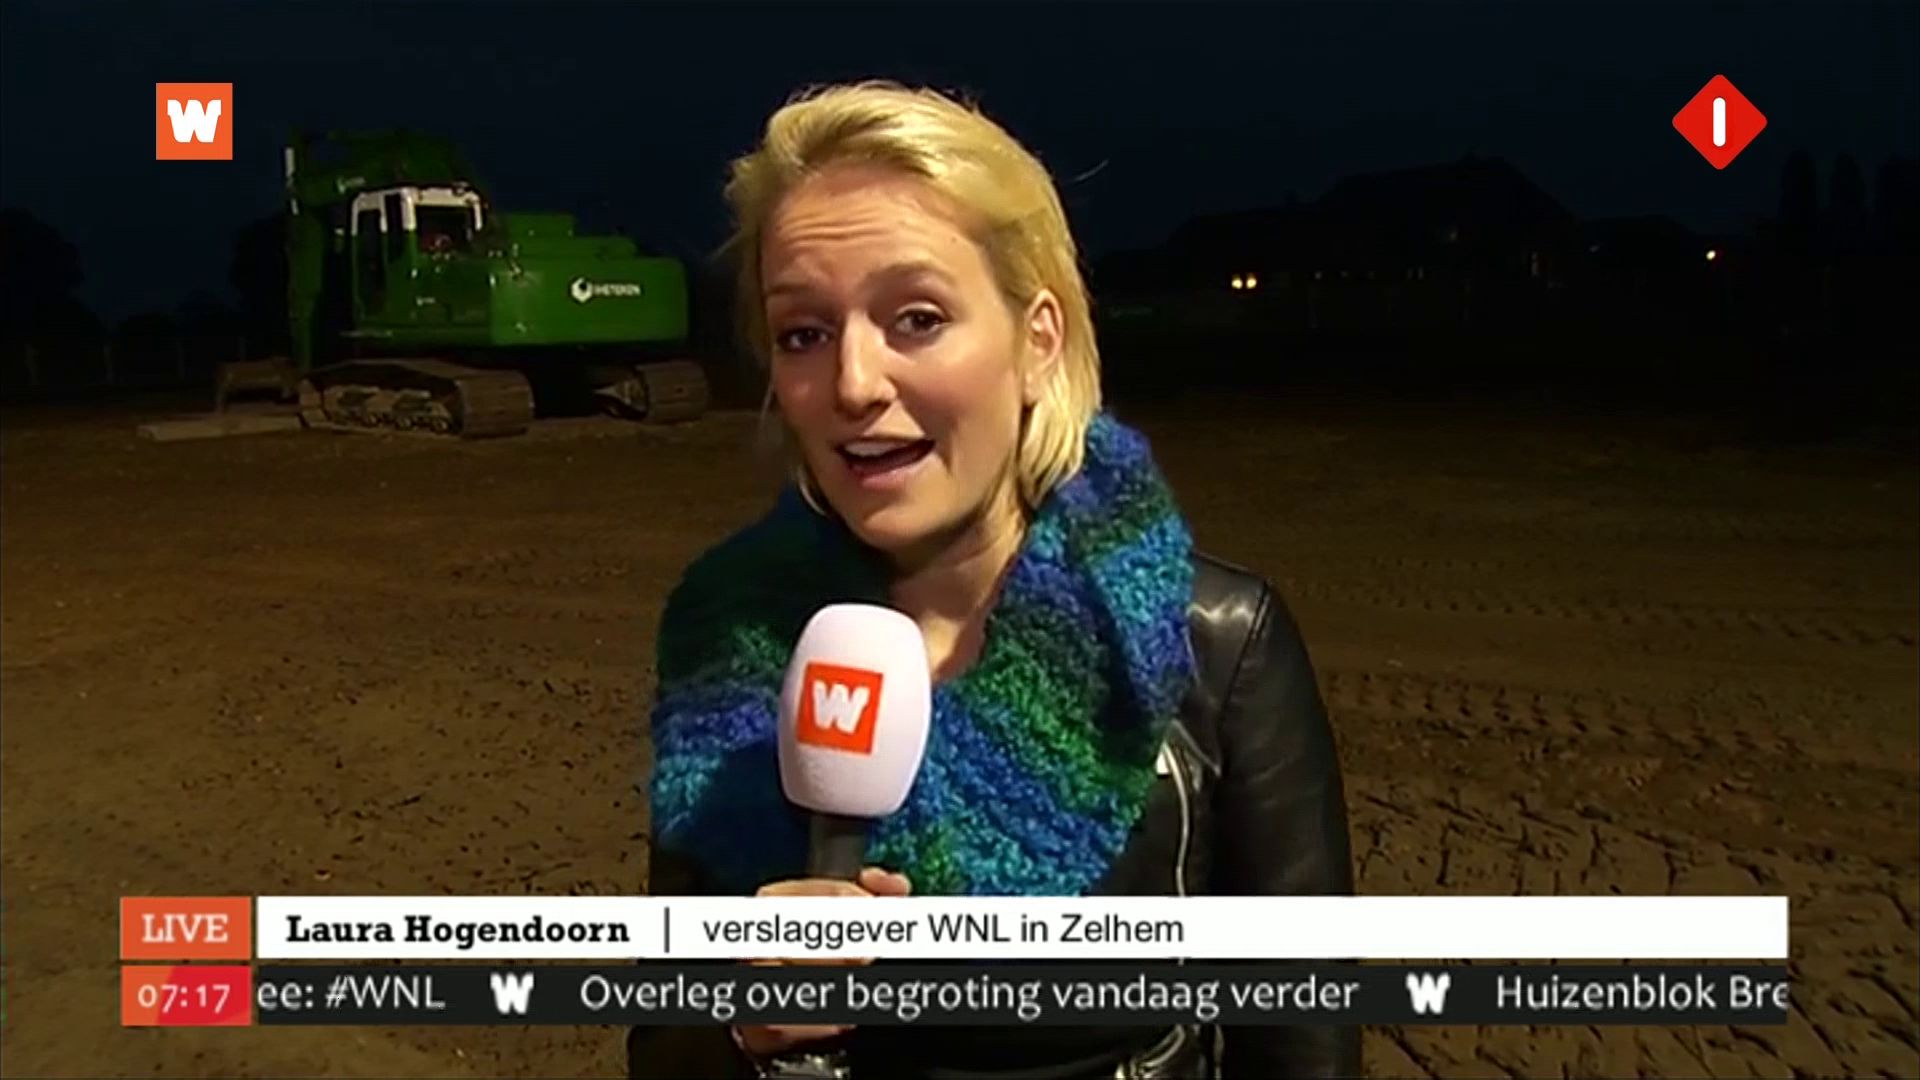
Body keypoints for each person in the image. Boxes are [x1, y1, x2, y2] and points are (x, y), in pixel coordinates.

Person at [630, 81, 1359, 1080]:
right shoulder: (727, 646)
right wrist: (733, 1025)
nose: (853, 383)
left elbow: (1303, 1044)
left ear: (1037, 340)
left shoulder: (1215, 646)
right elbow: (661, 1049)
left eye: (917, 318)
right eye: (804, 333)